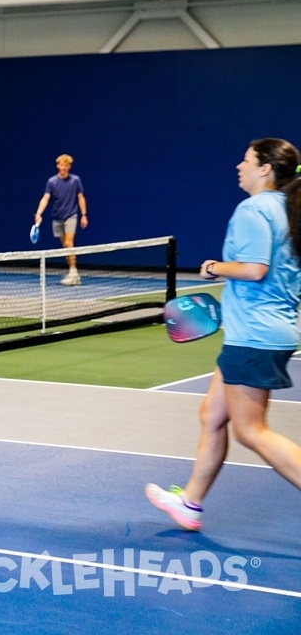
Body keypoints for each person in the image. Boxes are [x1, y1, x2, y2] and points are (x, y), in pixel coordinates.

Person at [145, 138, 301, 531]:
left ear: (265, 168)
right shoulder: (290, 210)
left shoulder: (254, 209)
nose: (238, 165)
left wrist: (214, 267)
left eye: (246, 160)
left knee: (251, 431)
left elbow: (254, 269)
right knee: (212, 414)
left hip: (254, 335)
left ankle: (192, 502)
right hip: (262, 330)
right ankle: (190, 504)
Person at [33, 154, 89, 285]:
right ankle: (72, 271)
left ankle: (73, 272)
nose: (63, 167)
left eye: (66, 165)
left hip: (71, 215)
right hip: (57, 217)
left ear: (69, 167)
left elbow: (81, 198)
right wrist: (39, 213)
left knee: (69, 243)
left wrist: (84, 215)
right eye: (61, 165)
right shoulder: (51, 182)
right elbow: (45, 198)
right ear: (58, 166)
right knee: (65, 246)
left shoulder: (75, 180)